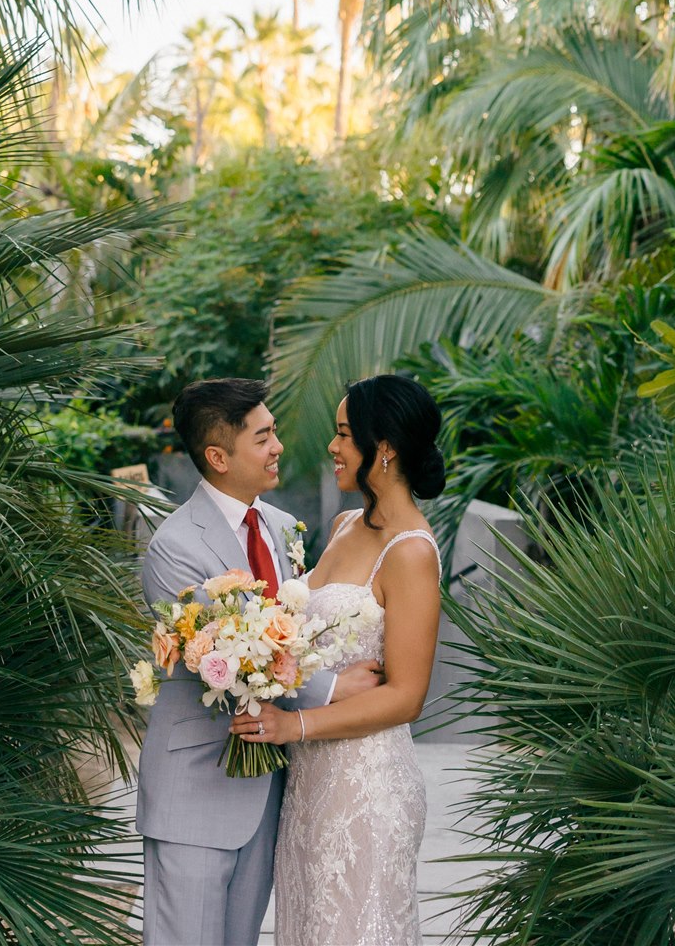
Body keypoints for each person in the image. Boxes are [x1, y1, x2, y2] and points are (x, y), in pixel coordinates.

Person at [136, 377, 385, 946]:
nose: (278, 447)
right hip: (195, 791)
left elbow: (293, 628)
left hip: (268, 787)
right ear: (218, 456)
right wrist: (331, 689)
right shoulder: (175, 546)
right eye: (263, 437)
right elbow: (228, 657)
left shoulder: (279, 528)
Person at [229, 372, 445, 946]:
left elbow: (406, 696)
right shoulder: (346, 524)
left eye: (345, 434)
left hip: (366, 791)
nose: (332, 446)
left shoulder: (413, 553)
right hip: (310, 786)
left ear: (387, 448)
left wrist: (294, 723)